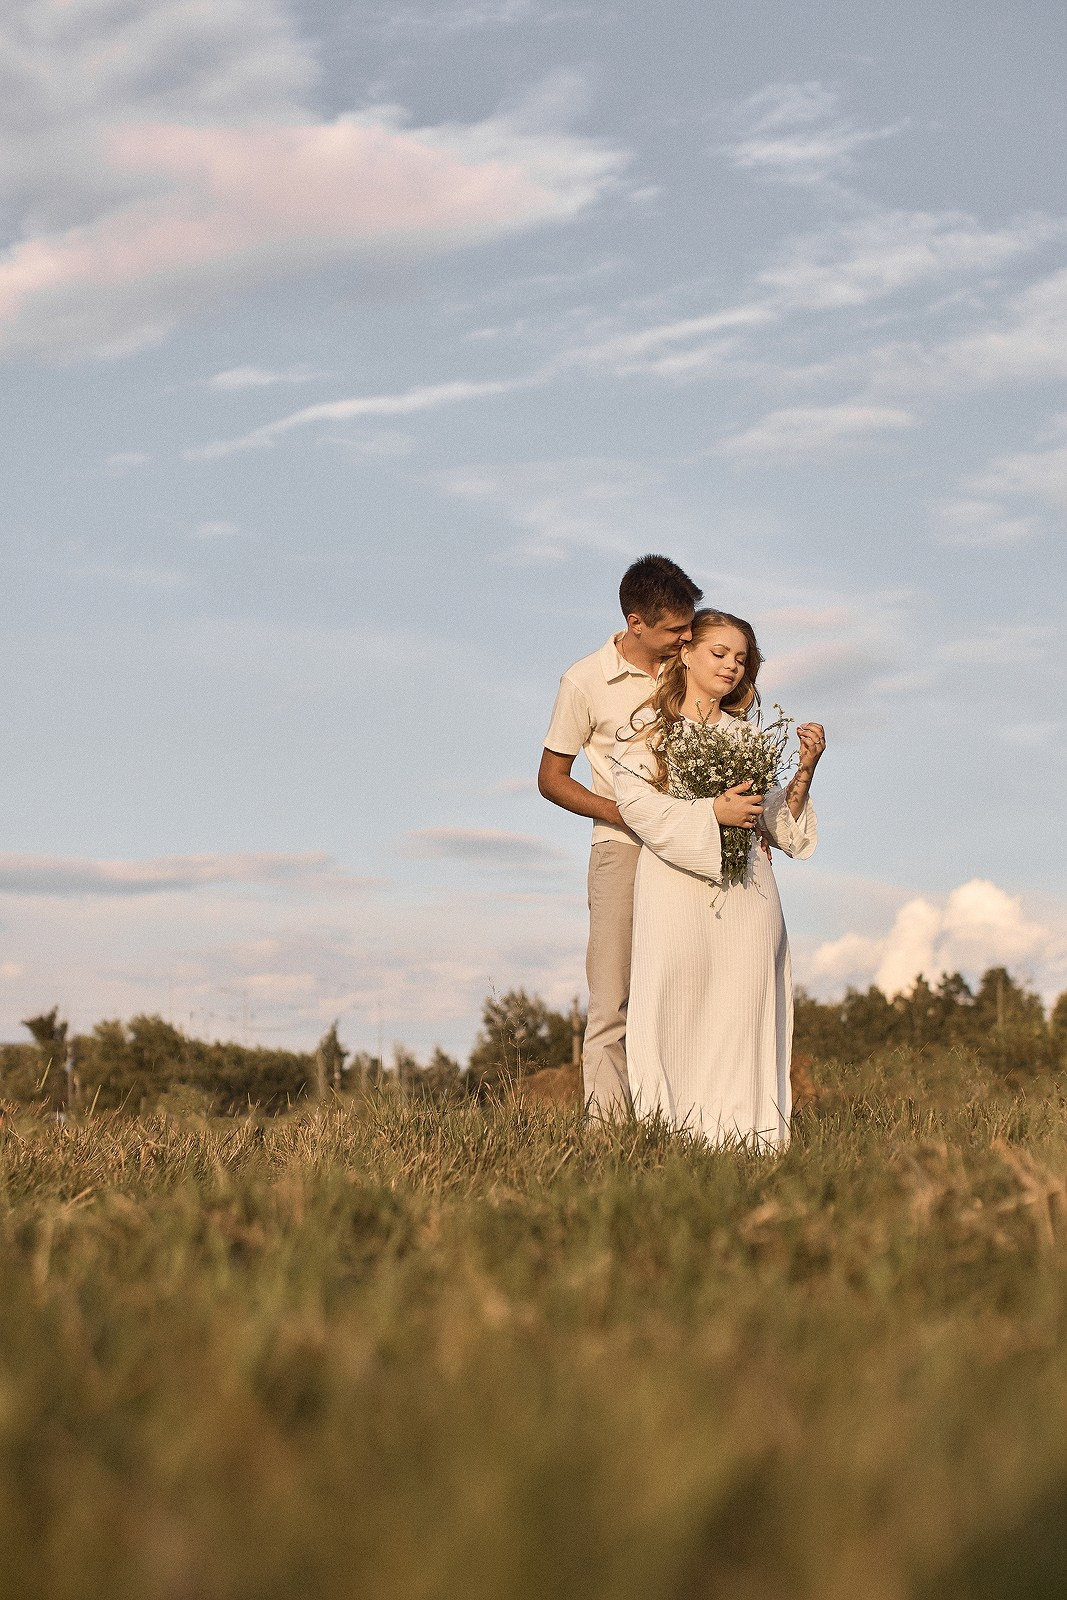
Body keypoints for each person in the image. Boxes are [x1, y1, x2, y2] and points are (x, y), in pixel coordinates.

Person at [611, 608, 826, 1148]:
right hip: (675, 894)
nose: (732, 666)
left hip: (748, 897)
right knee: (673, 1007)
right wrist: (711, 813)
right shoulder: (647, 735)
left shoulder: (746, 736)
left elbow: (776, 824)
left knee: (742, 1011)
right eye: (719, 653)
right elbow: (638, 809)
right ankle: (673, 1138)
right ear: (684, 652)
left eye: (740, 658)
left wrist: (803, 771)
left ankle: (749, 1140)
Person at [539, 555, 703, 1117]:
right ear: (636, 622)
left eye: (690, 625)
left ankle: (690, 1120)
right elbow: (550, 779)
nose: (687, 637)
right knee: (613, 999)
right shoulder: (583, 681)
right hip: (621, 850)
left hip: (696, 849)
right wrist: (624, 814)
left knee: (687, 988)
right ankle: (609, 1133)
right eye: (675, 629)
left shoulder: (694, 666)